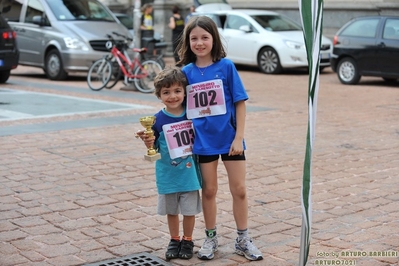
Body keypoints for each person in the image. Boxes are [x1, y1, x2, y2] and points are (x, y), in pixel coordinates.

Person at [176, 16, 263, 261]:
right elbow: (176, 106)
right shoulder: (186, 73)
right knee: (209, 190)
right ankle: (211, 237)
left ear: (214, 38)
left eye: (205, 37)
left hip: (230, 140)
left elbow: (240, 103)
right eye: (194, 38)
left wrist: (239, 137)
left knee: (240, 190)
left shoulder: (226, 67)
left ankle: (243, 238)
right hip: (202, 142)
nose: (200, 42)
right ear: (188, 41)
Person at [136, 66, 202, 261]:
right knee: (171, 211)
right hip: (167, 174)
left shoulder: (192, 114)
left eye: (177, 91)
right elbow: (154, 147)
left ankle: (188, 240)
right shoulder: (157, 120)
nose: (172, 96)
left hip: (189, 173)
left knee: (189, 211)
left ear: (184, 92)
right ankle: (174, 240)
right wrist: (148, 141)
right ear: (159, 95)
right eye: (166, 92)